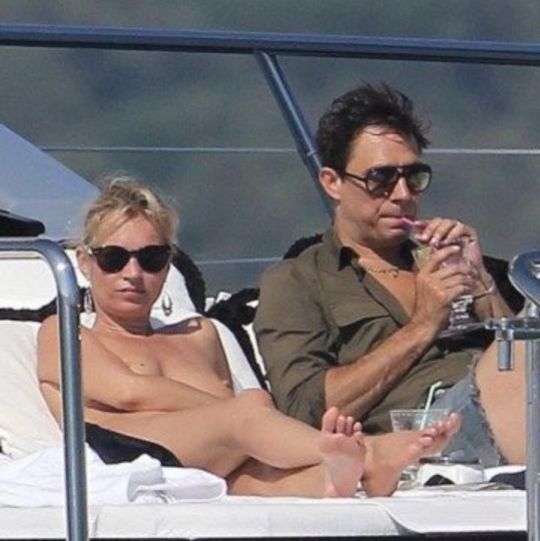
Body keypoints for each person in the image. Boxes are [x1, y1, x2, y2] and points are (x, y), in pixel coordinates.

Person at [37, 176, 458, 498]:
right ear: (84, 262)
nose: (133, 274)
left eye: (151, 258)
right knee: (246, 415)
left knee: (261, 476)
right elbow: (131, 394)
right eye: (113, 258)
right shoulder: (66, 332)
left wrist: (247, 412)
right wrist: (244, 410)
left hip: (213, 457)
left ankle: (347, 480)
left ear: (169, 264)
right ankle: (372, 451)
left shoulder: (200, 334)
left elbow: (236, 423)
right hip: (126, 451)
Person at [254, 83, 525, 468]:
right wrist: (424, 324)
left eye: (414, 177)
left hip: (505, 411)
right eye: (381, 178)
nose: (402, 194)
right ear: (332, 182)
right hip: (428, 432)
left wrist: (482, 283)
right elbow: (303, 411)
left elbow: (519, 358)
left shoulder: (445, 259)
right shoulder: (298, 281)